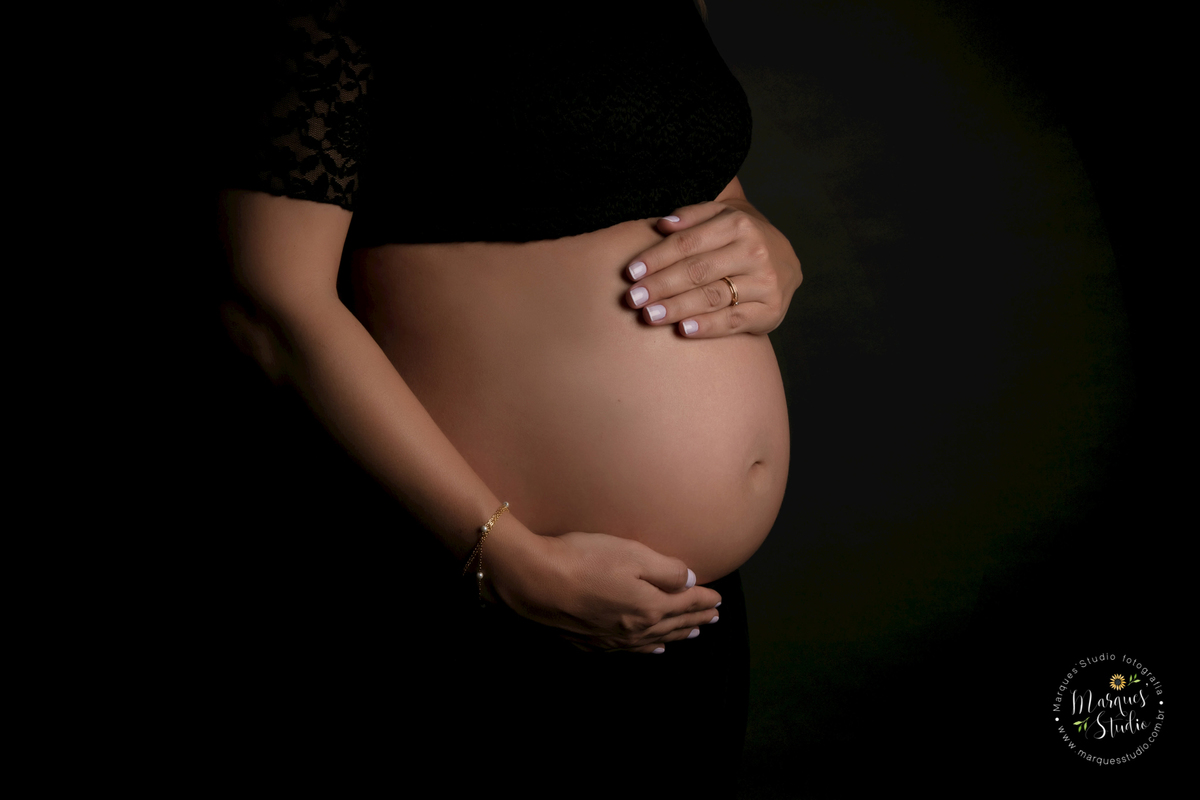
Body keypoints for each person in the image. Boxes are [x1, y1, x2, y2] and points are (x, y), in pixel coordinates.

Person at [216, 0, 800, 791]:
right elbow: (268, 301)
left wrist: (768, 243)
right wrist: (508, 560)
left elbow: (699, 176)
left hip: (676, 612)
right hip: (469, 589)